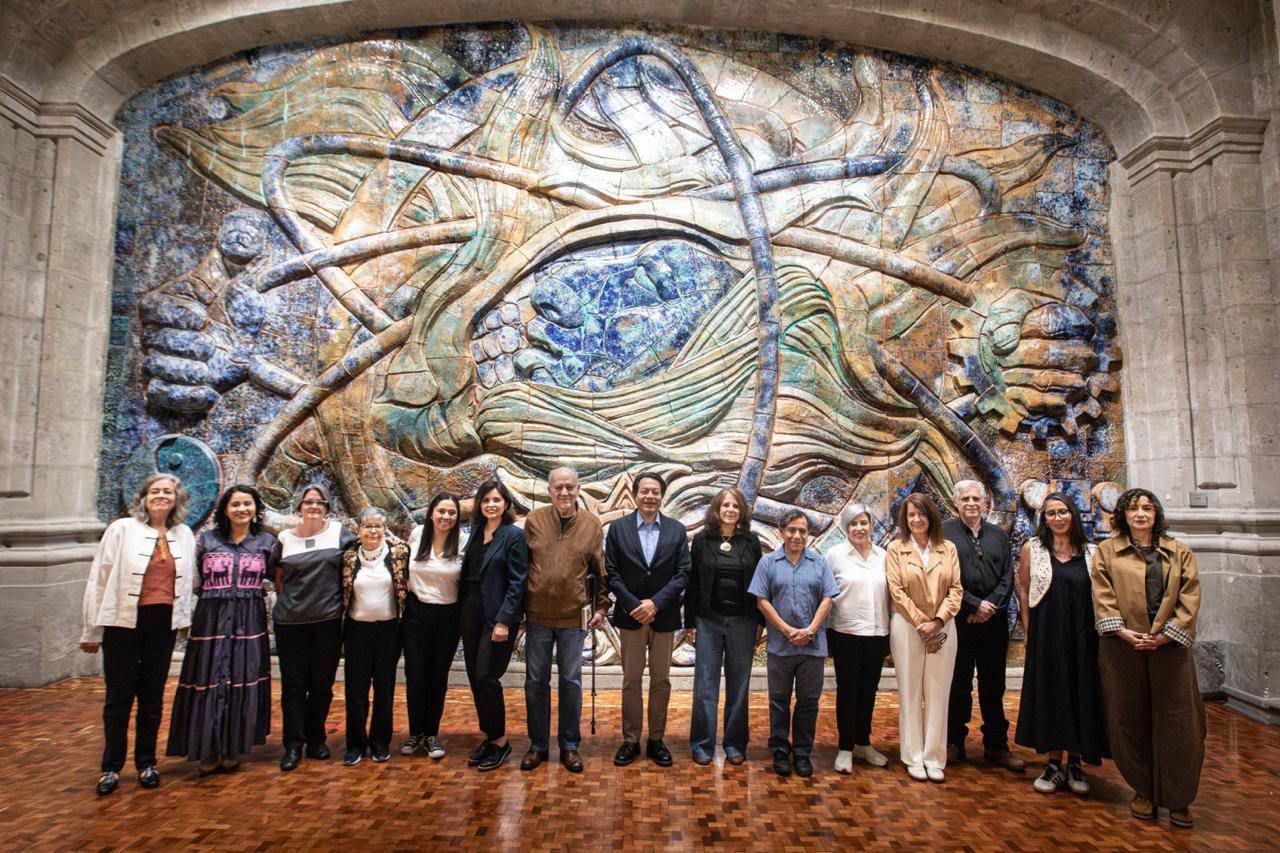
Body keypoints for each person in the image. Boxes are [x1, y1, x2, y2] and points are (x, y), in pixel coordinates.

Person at [1092, 488, 1205, 828]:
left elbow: (1190, 596)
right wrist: (1123, 632)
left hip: (1169, 649)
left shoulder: (1178, 552)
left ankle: (1178, 796)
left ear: (1156, 514)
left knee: (1180, 721)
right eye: (1133, 508)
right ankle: (1143, 789)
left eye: (1147, 508)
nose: (1141, 514)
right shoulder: (1107, 551)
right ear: (1123, 515)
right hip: (1123, 648)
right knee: (1128, 717)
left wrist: (1165, 636)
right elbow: (1102, 594)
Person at [81, 473, 196, 796]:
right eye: (155, 491)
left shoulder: (183, 533)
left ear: (177, 499)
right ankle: (111, 767)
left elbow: (188, 581)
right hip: (123, 622)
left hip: (162, 623)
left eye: (168, 492)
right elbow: (99, 578)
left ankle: (147, 762)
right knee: (118, 698)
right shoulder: (122, 529)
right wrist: (91, 629)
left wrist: (184, 621)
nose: (161, 496)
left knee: (152, 697)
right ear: (143, 497)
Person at [167, 484, 275, 774]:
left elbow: (279, 578)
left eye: (247, 504)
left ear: (256, 508)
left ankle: (232, 747)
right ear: (225, 509)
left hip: (248, 620)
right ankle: (206, 748)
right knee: (208, 679)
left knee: (242, 679)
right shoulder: (206, 541)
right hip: (211, 620)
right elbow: (189, 578)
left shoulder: (266, 542)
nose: (242, 509)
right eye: (235, 504)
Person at [1015, 492, 1108, 795]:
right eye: (1051, 513)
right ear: (1044, 519)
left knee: (1082, 692)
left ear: (1073, 514)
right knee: (1052, 693)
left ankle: (1076, 762)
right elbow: (1025, 592)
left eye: (1063, 512)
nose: (1057, 518)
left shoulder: (1093, 552)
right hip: (1048, 635)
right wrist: (1029, 633)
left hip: (1083, 635)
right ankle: (1054, 763)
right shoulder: (1035, 548)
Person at [520, 467, 609, 773]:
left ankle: (569, 746)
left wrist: (601, 607)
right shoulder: (534, 521)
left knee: (571, 682)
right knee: (535, 682)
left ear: (578, 488)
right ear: (549, 490)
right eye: (558, 487)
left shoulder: (591, 524)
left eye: (570, 487)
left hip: (574, 618)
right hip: (537, 617)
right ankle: (538, 745)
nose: (564, 493)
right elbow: (523, 568)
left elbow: (600, 570)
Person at [605, 471, 691, 768]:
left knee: (661, 680)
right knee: (631, 680)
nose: (650, 496)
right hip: (630, 618)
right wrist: (634, 605)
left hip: (663, 616)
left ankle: (656, 739)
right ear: (635, 494)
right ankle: (630, 740)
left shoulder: (676, 530)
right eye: (645, 491)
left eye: (655, 491)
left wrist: (655, 603)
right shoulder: (618, 529)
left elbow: (683, 573)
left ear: (661, 496)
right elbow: (611, 573)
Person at [747, 509, 837, 778]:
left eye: (802, 531)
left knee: (809, 701)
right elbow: (761, 600)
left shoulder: (819, 563)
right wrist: (786, 630)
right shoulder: (768, 563)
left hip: (812, 646)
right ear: (782, 532)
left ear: (808, 534)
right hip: (780, 647)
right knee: (779, 700)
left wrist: (810, 630)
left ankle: (802, 752)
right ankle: (779, 749)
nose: (797, 535)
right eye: (792, 530)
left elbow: (828, 598)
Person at [272, 483, 356, 772]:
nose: (313, 506)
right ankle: (293, 745)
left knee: (322, 685)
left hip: (327, 623)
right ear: (299, 507)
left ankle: (316, 739)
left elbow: (363, 550)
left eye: (320, 502)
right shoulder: (284, 538)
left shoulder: (338, 533)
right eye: (308, 502)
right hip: (290, 623)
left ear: (327, 507)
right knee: (293, 686)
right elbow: (279, 577)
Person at [943, 480, 1023, 772]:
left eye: (977, 498)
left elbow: (1007, 576)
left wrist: (990, 606)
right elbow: (944, 577)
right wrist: (974, 604)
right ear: (957, 502)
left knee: (994, 684)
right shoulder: (945, 533)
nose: (972, 503)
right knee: (958, 684)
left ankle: (997, 746)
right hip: (961, 621)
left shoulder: (998, 535)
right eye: (966, 498)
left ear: (985, 502)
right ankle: (954, 742)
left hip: (994, 622)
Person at [886, 492, 963, 783]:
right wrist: (921, 623)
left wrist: (938, 621)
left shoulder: (948, 549)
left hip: (944, 626)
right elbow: (896, 590)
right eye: (911, 515)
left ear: (931, 516)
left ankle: (933, 757)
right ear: (905, 520)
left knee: (938, 693)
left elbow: (956, 589)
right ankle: (913, 756)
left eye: (921, 514)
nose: (917, 520)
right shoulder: (896, 549)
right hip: (907, 627)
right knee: (910, 692)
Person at [685, 487, 764, 766]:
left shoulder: (751, 542)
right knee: (705, 685)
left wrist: (760, 622)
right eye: (725, 505)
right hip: (708, 621)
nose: (730, 510)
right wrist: (690, 623)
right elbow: (693, 582)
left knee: (739, 686)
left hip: (743, 621)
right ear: (716, 509)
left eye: (735, 506)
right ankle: (702, 744)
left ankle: (734, 744)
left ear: (741, 511)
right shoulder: (702, 541)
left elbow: (760, 584)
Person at [459, 479, 528, 772]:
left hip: (497, 617)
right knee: (475, 679)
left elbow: (517, 582)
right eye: (486, 500)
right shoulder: (475, 532)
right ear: (479, 504)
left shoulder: (513, 536)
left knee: (487, 676)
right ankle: (489, 737)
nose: (491, 505)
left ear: (506, 504)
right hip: (470, 614)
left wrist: (504, 620)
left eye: (497, 500)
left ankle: (500, 741)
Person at [340, 507, 410, 765]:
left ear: (385, 529)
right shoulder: (347, 555)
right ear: (359, 530)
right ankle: (355, 744)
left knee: (384, 689)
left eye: (377, 526)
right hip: (357, 631)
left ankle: (380, 742)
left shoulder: (399, 553)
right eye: (367, 526)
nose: (372, 531)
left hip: (388, 631)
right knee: (355, 690)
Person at [825, 503, 891, 773]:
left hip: (878, 634)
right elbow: (826, 596)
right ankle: (845, 748)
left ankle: (863, 742)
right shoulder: (834, 555)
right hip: (846, 634)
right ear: (846, 528)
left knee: (869, 691)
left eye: (864, 523)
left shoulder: (884, 555)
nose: (859, 528)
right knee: (848, 691)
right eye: (853, 524)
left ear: (871, 526)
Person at [400, 492, 465, 759]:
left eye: (451, 513)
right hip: (416, 613)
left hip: (448, 616)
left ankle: (432, 734)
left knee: (437, 676)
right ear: (431, 513)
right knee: (415, 675)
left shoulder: (463, 540)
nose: (446, 517)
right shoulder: (417, 534)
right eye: (441, 511)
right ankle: (416, 732)